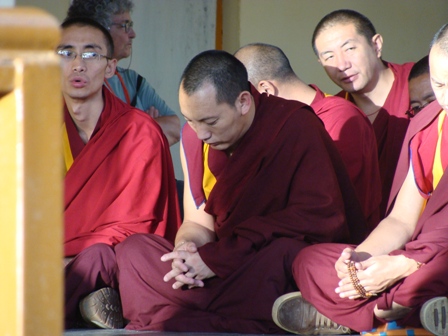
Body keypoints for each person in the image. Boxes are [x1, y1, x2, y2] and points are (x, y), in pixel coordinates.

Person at [89, 49, 371, 333]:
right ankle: (260, 318)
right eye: (191, 120)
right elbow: (198, 222)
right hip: (217, 268)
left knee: (288, 255)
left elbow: (318, 217)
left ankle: (174, 314)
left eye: (210, 122)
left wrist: (218, 259)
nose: (201, 134)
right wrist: (186, 252)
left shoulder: (294, 125)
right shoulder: (195, 138)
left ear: (243, 102)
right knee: (135, 250)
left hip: (255, 262)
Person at [271, 23, 448, 336]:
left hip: (431, 261)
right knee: (308, 261)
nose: (444, 100)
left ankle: (355, 313)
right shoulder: (428, 126)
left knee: (431, 273)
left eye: (349, 48)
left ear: (376, 45)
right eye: (440, 86)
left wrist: (409, 265)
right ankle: (412, 311)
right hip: (412, 253)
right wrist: (359, 260)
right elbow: (401, 222)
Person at [60, 17, 181, 328]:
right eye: (66, 53)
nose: (77, 65)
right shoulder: (25, 129)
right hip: (43, 259)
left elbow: (138, 224)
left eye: (90, 54)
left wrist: (65, 256)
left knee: (100, 257)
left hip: (102, 259)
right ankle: (89, 301)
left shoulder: (138, 131)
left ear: (111, 68)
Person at [235, 42, 381, 232]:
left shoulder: (339, 118)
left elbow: (330, 202)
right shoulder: (279, 126)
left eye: (246, 100)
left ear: (265, 90)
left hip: (341, 246)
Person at [312, 9, 413, 219]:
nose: (341, 64)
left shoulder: (420, 86)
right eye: (329, 56)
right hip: (363, 237)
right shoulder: (334, 113)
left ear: (376, 45)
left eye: (349, 49)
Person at [67, 0, 181, 146]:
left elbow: (175, 128)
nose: (132, 34)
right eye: (125, 26)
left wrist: (127, 131)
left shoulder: (134, 81)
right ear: (100, 29)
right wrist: (147, 124)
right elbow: (94, 140)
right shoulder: (79, 81)